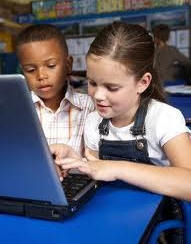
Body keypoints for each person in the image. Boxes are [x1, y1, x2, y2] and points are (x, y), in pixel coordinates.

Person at [51, 22, 191, 243]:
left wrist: (116, 168)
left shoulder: (163, 118)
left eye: (112, 87)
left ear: (143, 83)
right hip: (112, 222)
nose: (97, 95)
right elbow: (98, 172)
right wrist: (76, 161)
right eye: (92, 82)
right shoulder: (94, 122)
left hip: (159, 232)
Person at [16, 24, 94, 158]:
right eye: (30, 70)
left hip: (77, 178)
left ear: (68, 65)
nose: (41, 76)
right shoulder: (18, 111)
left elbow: (98, 164)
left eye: (51, 66)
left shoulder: (90, 107)